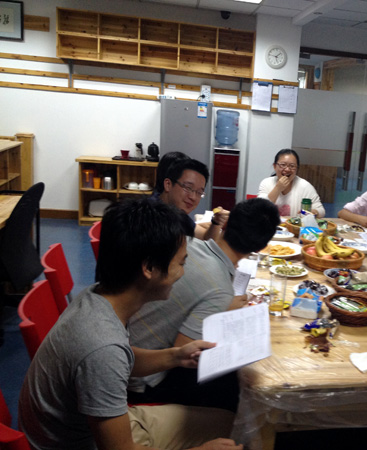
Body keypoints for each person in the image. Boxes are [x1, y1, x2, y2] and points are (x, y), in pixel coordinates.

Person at [18, 198, 242, 450]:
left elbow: (123, 358)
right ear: (149, 268)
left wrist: (177, 356)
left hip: (98, 425)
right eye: (181, 263)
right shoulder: (102, 347)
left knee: (234, 424)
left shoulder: (101, 297)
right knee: (236, 431)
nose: (183, 272)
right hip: (89, 443)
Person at [127, 197, 281, 411]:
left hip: (127, 342)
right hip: (141, 379)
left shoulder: (186, 244)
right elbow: (184, 352)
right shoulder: (220, 289)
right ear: (261, 247)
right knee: (237, 380)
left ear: (225, 224)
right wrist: (222, 314)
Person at [155, 156, 229, 241]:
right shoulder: (151, 218)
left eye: (199, 192)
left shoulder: (177, 211)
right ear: (168, 185)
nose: (193, 197)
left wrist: (216, 221)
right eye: (188, 188)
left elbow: (205, 237)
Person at [258, 148, 325, 217]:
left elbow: (321, 210)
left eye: (292, 166)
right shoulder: (266, 183)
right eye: (283, 165)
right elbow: (259, 209)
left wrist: (314, 212)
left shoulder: (305, 186)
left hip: (295, 224)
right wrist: (278, 188)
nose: (287, 169)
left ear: (297, 169)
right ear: (275, 166)